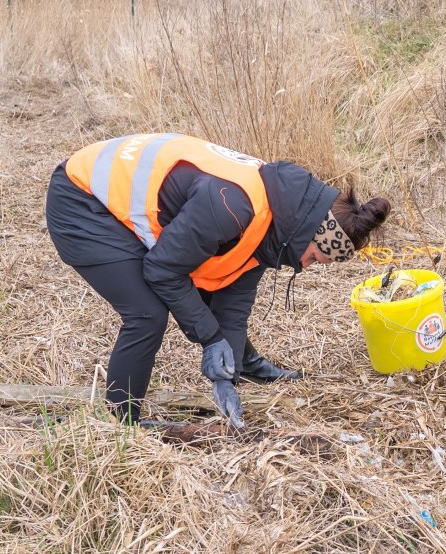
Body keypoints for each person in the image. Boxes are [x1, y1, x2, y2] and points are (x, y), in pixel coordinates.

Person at [46, 133, 390, 427]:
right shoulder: (234, 207)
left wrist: (227, 377)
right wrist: (211, 340)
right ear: (308, 235)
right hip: (82, 198)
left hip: (113, 197)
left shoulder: (278, 220)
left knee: (206, 286)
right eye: (314, 257)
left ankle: (245, 363)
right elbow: (162, 271)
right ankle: (122, 423)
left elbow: (232, 302)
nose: (307, 266)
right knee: (147, 313)